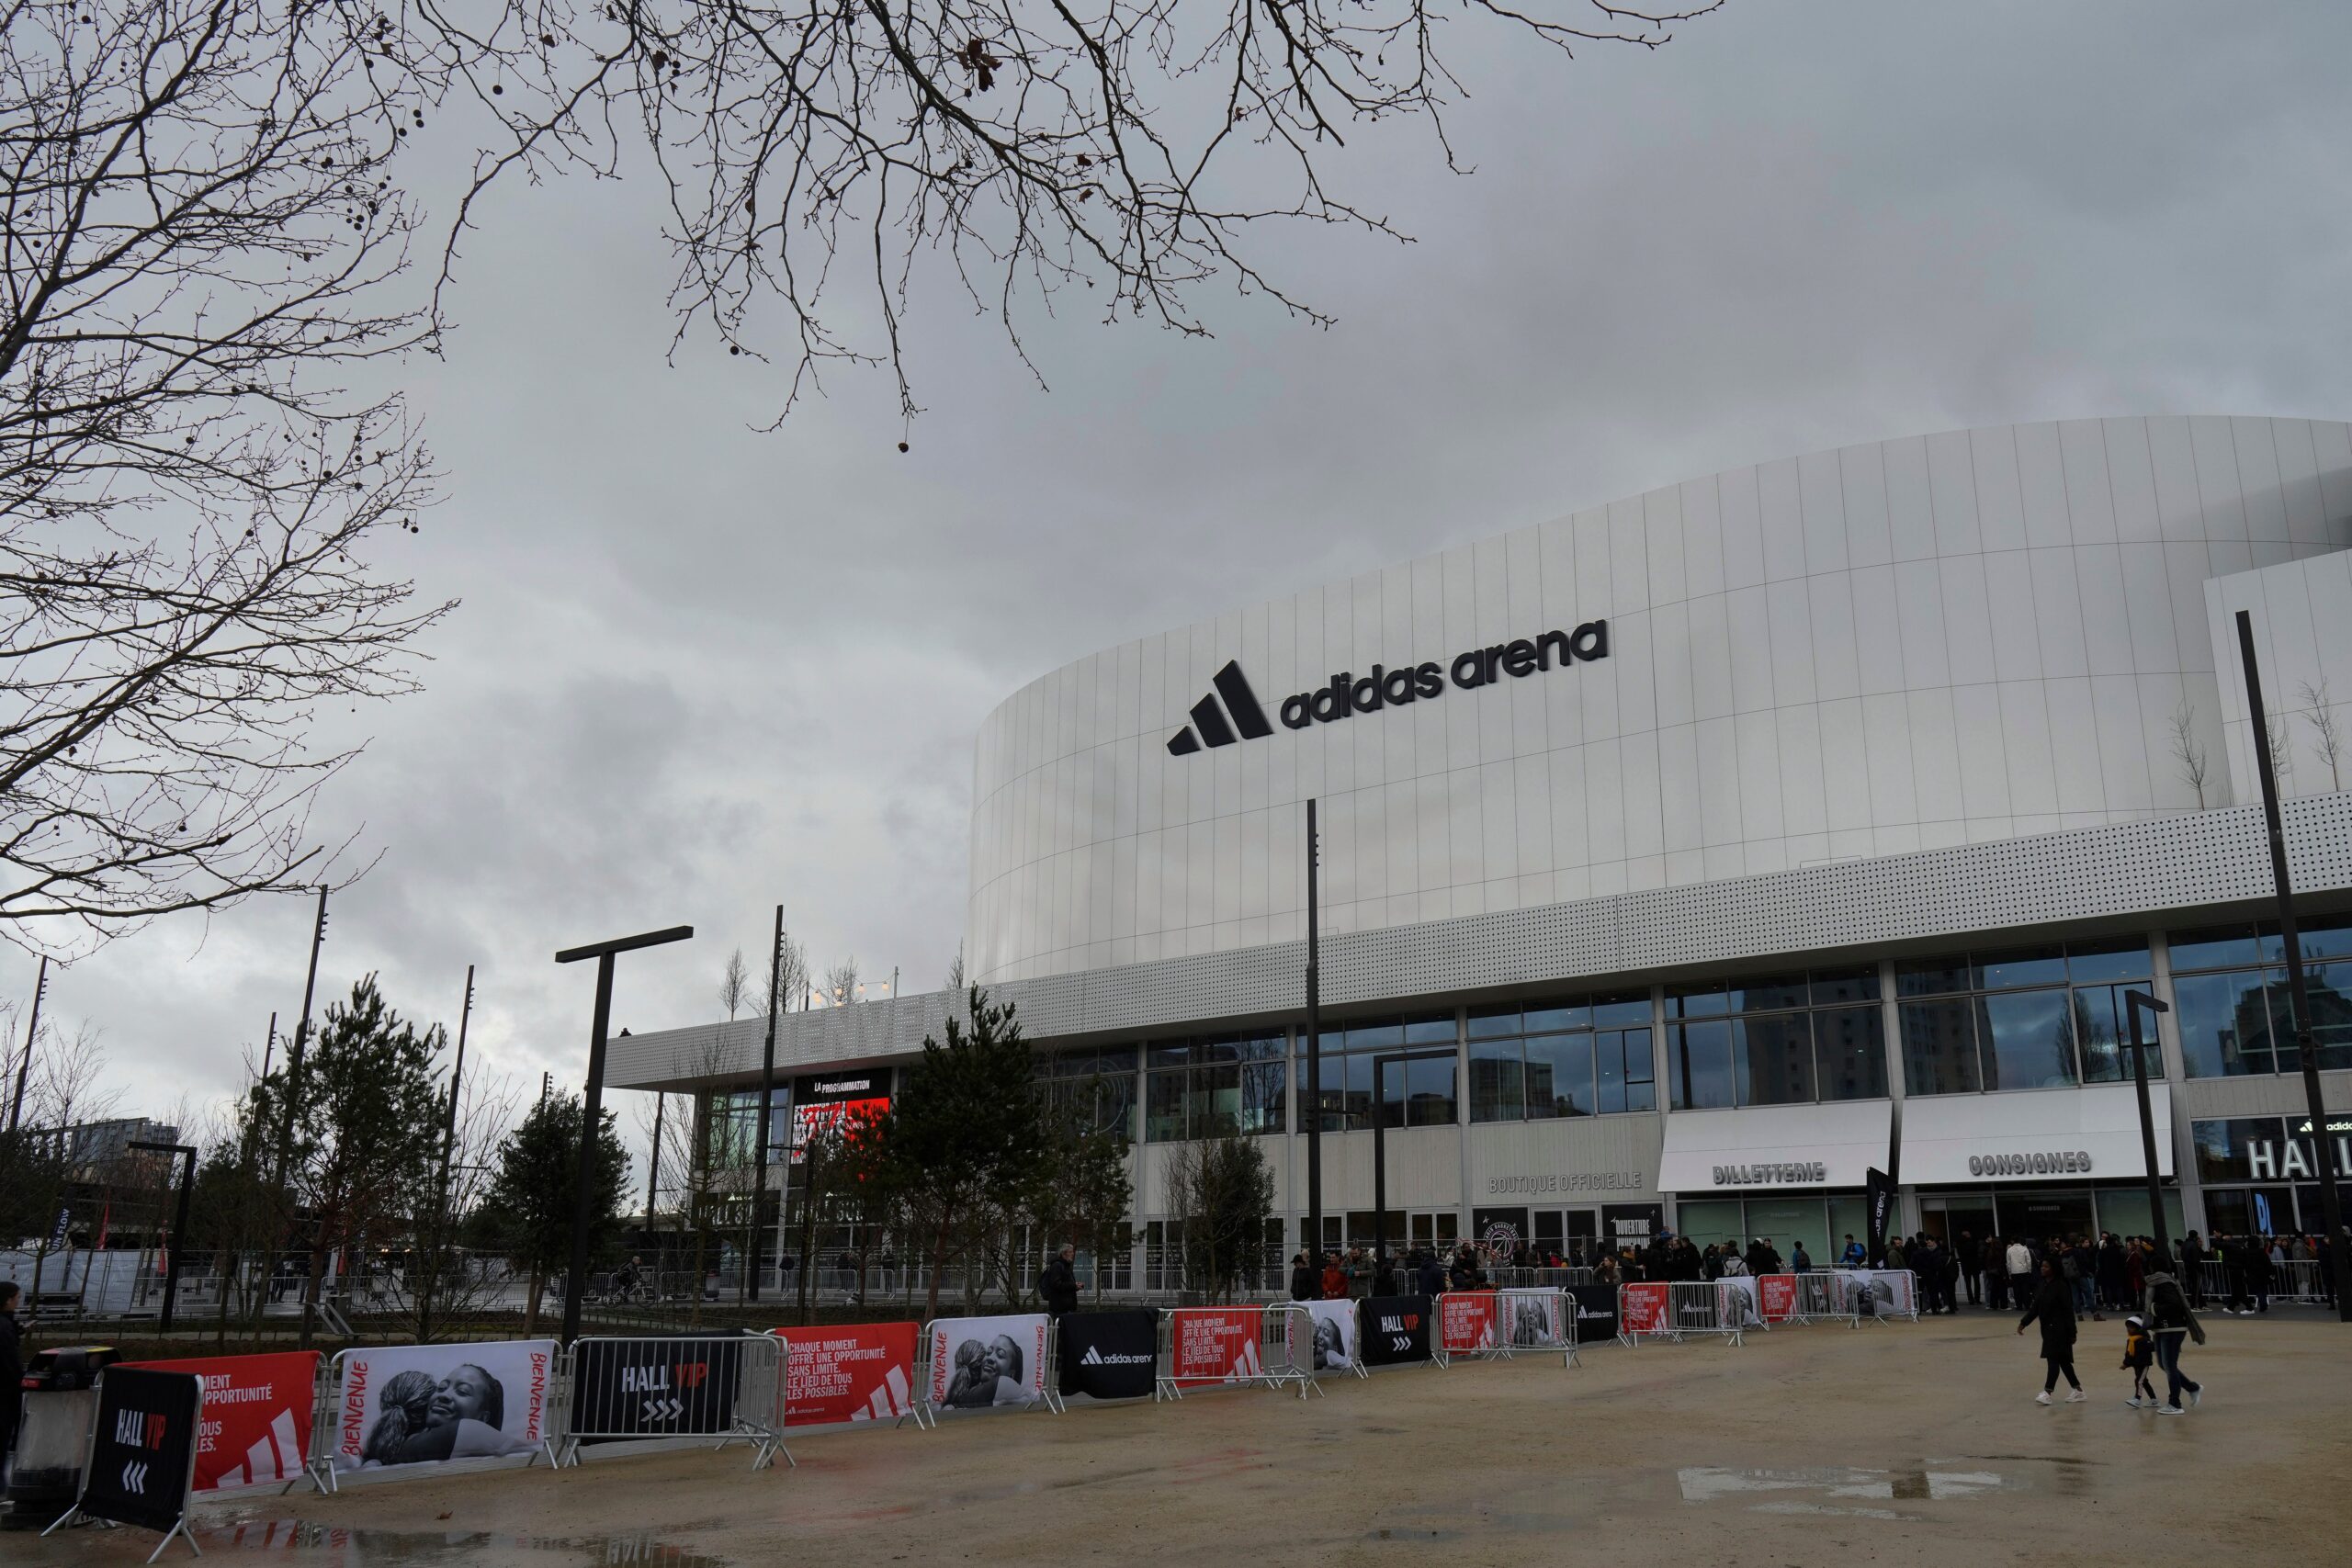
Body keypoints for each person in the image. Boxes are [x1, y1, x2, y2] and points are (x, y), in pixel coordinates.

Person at [2017, 1259, 2084, 1404]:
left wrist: (2073, 1333)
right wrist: (2024, 1322)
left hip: (2060, 1330)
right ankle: (2078, 1390)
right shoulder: (2042, 1285)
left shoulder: (2061, 1286)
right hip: (2047, 1329)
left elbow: (2067, 1311)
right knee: (2064, 1361)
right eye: (2042, 1266)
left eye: (2046, 1266)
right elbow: (2035, 1307)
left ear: (2054, 1269)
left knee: (2053, 1359)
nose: (2043, 1269)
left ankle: (2047, 1392)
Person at [2144, 1264, 2204, 1416]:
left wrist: (2152, 1308)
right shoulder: (2160, 1282)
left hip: (2172, 1329)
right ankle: (2192, 1388)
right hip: (2162, 1329)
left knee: (2169, 1365)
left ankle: (2175, 1403)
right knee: (2164, 1365)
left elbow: (2173, 1304)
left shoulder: (2163, 1283)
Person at [1, 1281, 23, 1483]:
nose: (19, 1301)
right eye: (16, 1297)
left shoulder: (7, 1325)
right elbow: (10, 1362)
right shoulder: (4, 1327)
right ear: (8, 1299)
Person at [2120, 1314, 2158, 1409]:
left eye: (2131, 1328)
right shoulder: (2131, 1341)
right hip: (2136, 1364)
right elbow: (2128, 1354)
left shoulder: (2144, 1340)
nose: (2128, 1329)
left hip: (2143, 1364)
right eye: (2128, 1327)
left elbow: (2153, 1347)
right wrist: (2125, 1364)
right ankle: (2154, 1400)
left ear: (2138, 1329)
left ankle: (2137, 1399)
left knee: (2139, 1381)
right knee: (2144, 1382)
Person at [1041, 1244, 1079, 1319]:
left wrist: (1075, 1286)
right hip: (1059, 1308)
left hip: (1067, 1307)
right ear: (1064, 1254)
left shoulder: (1066, 1266)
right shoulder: (1057, 1266)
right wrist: (1073, 1285)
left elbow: (1064, 1284)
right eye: (1070, 1252)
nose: (1073, 1254)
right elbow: (1056, 1284)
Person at [2179, 1231, 2208, 1309]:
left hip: (2188, 1267)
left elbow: (2182, 1255)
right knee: (2196, 1287)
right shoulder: (2193, 1244)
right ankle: (2194, 1305)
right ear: (2196, 1236)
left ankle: (2202, 1304)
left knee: (2196, 1287)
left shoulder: (2184, 1244)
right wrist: (2201, 1269)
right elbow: (2196, 1258)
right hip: (2194, 1268)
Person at [2005, 1235, 2035, 1309]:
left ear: (2013, 1241)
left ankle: (2019, 1306)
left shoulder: (2009, 1250)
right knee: (2025, 1289)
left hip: (2014, 1272)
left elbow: (2008, 1263)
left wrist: (2010, 1273)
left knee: (2016, 1289)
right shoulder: (2024, 1249)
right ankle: (2027, 1305)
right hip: (2024, 1271)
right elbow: (2028, 1261)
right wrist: (2029, 1270)